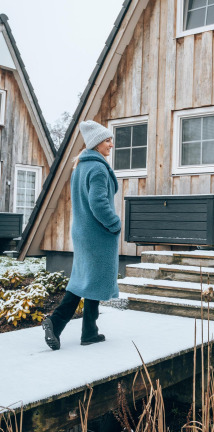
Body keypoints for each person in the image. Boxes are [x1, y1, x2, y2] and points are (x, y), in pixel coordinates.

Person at [42, 120, 121, 350]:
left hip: (83, 232)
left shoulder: (81, 166)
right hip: (97, 233)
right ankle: (55, 323)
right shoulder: (97, 168)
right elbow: (98, 203)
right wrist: (114, 223)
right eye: (108, 140)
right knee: (87, 282)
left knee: (87, 281)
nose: (111, 145)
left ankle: (89, 332)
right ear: (97, 143)